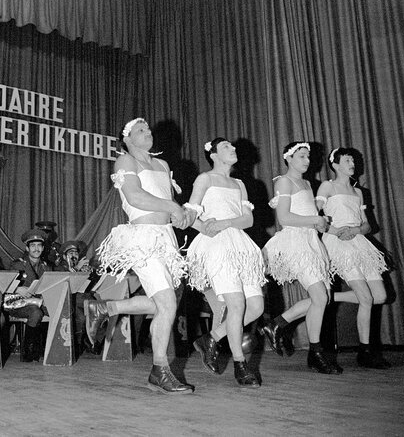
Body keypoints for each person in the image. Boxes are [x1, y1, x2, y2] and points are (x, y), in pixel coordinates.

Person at [84, 118, 196, 394]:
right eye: (140, 131)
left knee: (164, 304)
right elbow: (134, 197)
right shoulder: (125, 162)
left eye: (148, 130)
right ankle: (160, 370)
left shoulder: (162, 165)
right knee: (167, 303)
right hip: (142, 239)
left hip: (166, 238)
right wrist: (172, 206)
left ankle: (107, 308)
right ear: (128, 140)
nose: (148, 133)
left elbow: (170, 207)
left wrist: (188, 217)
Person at [186, 138, 266, 387]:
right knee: (236, 304)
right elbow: (189, 214)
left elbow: (249, 220)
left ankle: (210, 338)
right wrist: (206, 228)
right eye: (226, 148)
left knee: (256, 308)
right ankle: (241, 366)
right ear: (213, 155)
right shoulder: (205, 179)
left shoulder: (239, 184)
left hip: (239, 245)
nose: (233, 150)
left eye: (233, 147)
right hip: (217, 247)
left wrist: (225, 223)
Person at [260, 142, 339, 374]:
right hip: (295, 243)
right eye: (302, 156)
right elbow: (284, 217)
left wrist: (328, 227)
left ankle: (277, 324)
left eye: (308, 156)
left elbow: (311, 216)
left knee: (322, 298)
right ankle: (315, 352)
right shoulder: (284, 181)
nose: (306, 160)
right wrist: (315, 221)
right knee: (318, 296)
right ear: (289, 158)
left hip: (311, 241)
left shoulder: (306, 183)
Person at [316, 147, 390, 369]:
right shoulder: (327, 186)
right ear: (336, 165)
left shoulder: (358, 193)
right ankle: (365, 352)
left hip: (358, 242)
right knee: (365, 299)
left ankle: (333, 297)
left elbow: (368, 224)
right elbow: (316, 217)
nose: (352, 164)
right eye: (347, 160)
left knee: (379, 296)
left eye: (353, 161)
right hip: (338, 243)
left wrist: (356, 230)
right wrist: (336, 230)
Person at [8, 229, 50, 362]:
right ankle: (28, 349)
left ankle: (50, 348)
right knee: (35, 312)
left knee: (62, 309)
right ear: (27, 248)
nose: (36, 249)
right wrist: (17, 288)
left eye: (39, 246)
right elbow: (5, 285)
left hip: (39, 302)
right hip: (18, 303)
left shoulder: (46, 267)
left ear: (43, 248)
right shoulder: (18, 264)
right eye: (33, 246)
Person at [54, 240, 98, 356]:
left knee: (90, 313)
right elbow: (64, 283)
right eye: (70, 253)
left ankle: (92, 342)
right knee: (83, 315)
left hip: (82, 298)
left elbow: (90, 286)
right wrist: (77, 269)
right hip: (67, 300)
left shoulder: (78, 266)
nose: (74, 256)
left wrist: (90, 274)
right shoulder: (60, 268)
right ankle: (81, 344)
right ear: (64, 256)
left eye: (76, 253)